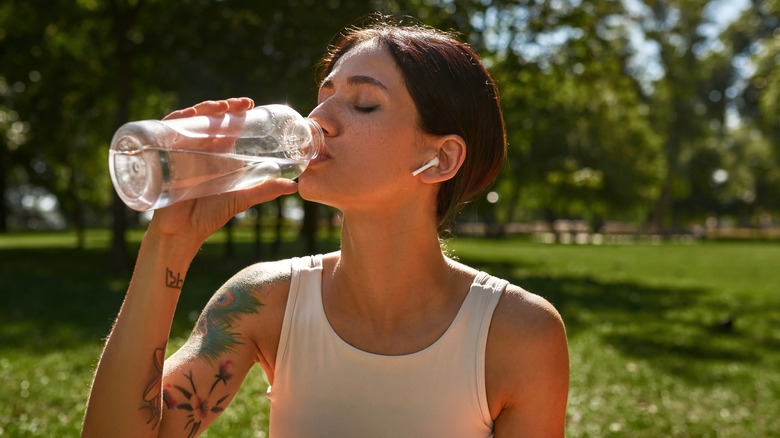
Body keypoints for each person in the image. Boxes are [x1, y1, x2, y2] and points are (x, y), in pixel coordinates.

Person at [83, 16, 569, 438]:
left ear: (440, 158)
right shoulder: (264, 301)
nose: (318, 120)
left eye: (363, 104)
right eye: (324, 96)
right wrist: (169, 243)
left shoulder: (519, 334)